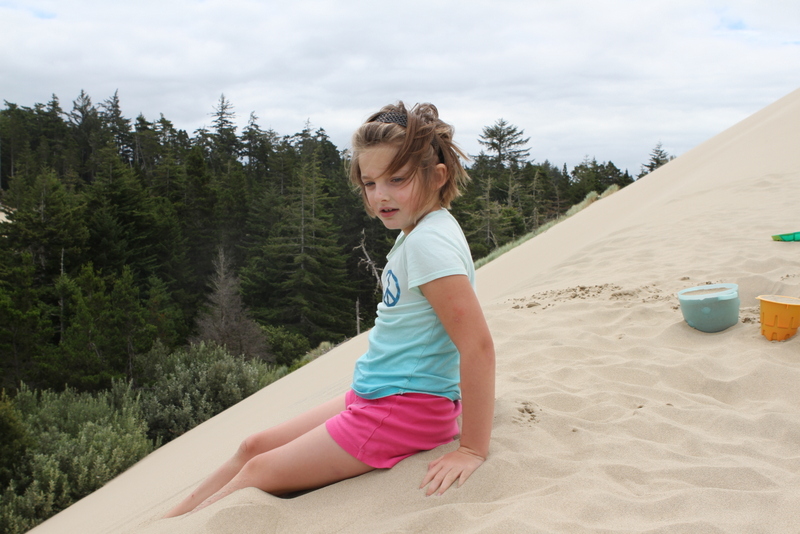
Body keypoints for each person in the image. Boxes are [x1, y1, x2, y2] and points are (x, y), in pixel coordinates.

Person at [163, 102, 495, 517]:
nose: (381, 195)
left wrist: (471, 449)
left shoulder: (429, 243)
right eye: (370, 183)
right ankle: (165, 522)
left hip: (403, 411)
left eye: (397, 179)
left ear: (438, 176)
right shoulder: (421, 230)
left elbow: (477, 345)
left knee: (257, 472)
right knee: (253, 447)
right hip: (377, 395)